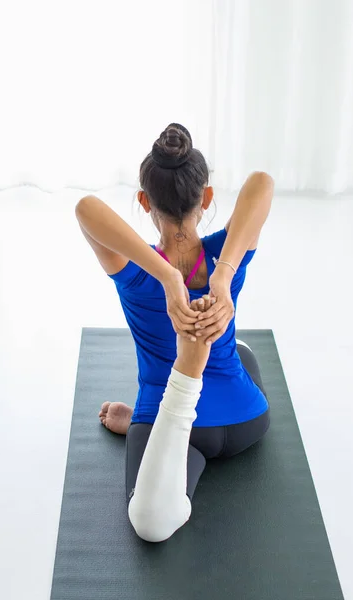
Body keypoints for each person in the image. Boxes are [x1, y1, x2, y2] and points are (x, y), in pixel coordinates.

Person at [75, 123, 274, 542]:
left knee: (145, 520)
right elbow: (262, 183)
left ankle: (140, 421)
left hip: (180, 430)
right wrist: (221, 274)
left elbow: (85, 209)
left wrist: (165, 275)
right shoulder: (228, 251)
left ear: (144, 201)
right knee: (240, 353)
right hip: (248, 420)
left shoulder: (133, 269)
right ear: (207, 197)